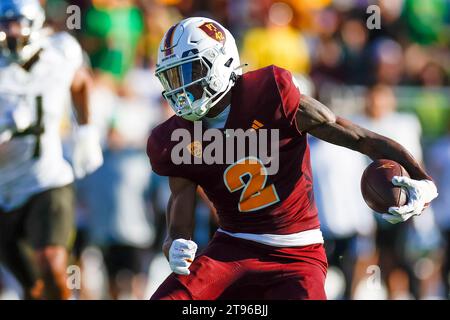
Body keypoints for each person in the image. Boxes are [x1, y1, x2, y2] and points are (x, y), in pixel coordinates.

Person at [146, 17, 438, 300]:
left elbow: (359, 138)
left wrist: (424, 180)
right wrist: (174, 247)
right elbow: (178, 224)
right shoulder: (177, 138)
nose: (181, 88)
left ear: (222, 63)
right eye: (173, 76)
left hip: (296, 252)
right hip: (231, 247)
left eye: (190, 72)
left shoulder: (271, 95)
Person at [0, 0, 102, 299]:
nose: (10, 31)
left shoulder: (60, 52)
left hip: (47, 179)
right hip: (4, 187)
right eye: (4, 24)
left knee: (53, 263)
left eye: (15, 23)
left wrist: (86, 132)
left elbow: (81, 82)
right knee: (31, 287)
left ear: (35, 22)